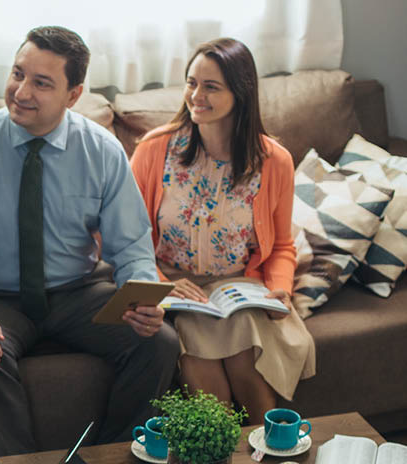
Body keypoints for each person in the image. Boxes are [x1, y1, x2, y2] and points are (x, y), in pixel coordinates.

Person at [0, 26, 179, 464]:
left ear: (73, 95)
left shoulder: (102, 151)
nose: (21, 92)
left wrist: (142, 295)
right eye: (18, 74)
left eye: (41, 83)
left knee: (158, 343)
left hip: (76, 292)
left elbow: (131, 249)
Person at [130, 38, 316, 419]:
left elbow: (281, 245)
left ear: (240, 92)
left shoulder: (274, 161)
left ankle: (264, 461)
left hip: (239, 286)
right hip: (176, 286)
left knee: (245, 352)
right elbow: (127, 238)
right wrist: (162, 282)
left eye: (211, 86)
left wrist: (280, 289)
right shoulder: (154, 150)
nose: (196, 95)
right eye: (191, 82)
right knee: (201, 351)